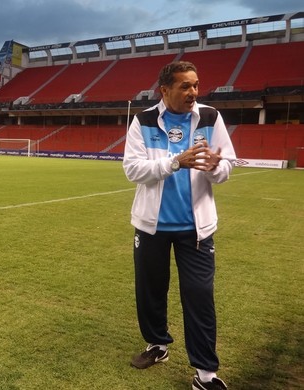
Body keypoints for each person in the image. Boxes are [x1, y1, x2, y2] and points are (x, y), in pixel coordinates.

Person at [122, 61, 236, 390]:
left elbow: (227, 163)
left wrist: (216, 167)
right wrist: (175, 161)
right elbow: (132, 169)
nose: (194, 93)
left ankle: (205, 374)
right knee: (151, 292)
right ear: (164, 90)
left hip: (196, 229)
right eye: (185, 86)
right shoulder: (143, 121)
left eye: (196, 85)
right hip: (151, 226)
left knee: (199, 295)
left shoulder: (211, 118)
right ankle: (157, 346)